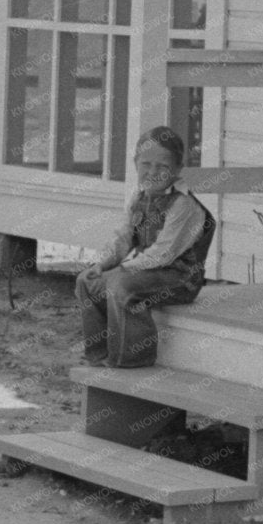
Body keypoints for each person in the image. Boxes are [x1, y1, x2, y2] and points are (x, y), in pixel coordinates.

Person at [75, 126, 213, 368]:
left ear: (178, 168)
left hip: (180, 278)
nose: (153, 172)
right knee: (87, 281)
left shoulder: (184, 206)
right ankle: (99, 353)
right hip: (147, 271)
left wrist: (124, 269)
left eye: (163, 166)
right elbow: (124, 237)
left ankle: (132, 358)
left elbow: (164, 252)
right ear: (135, 163)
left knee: (121, 285)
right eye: (146, 164)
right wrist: (103, 264)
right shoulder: (139, 197)